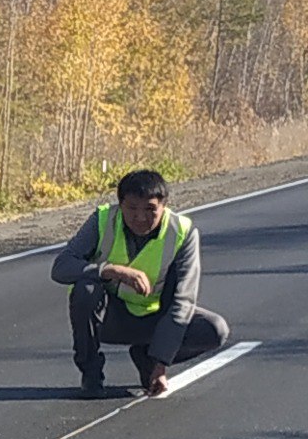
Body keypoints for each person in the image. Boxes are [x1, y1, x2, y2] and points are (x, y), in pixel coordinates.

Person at [51, 168, 230, 399]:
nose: (140, 218)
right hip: (110, 320)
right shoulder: (103, 220)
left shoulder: (182, 233)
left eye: (150, 210)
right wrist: (110, 270)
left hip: (155, 321)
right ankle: (91, 374)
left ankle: (147, 358)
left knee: (215, 329)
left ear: (163, 207)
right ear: (120, 204)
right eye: (132, 208)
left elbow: (182, 302)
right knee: (85, 289)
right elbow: (61, 267)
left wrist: (161, 361)